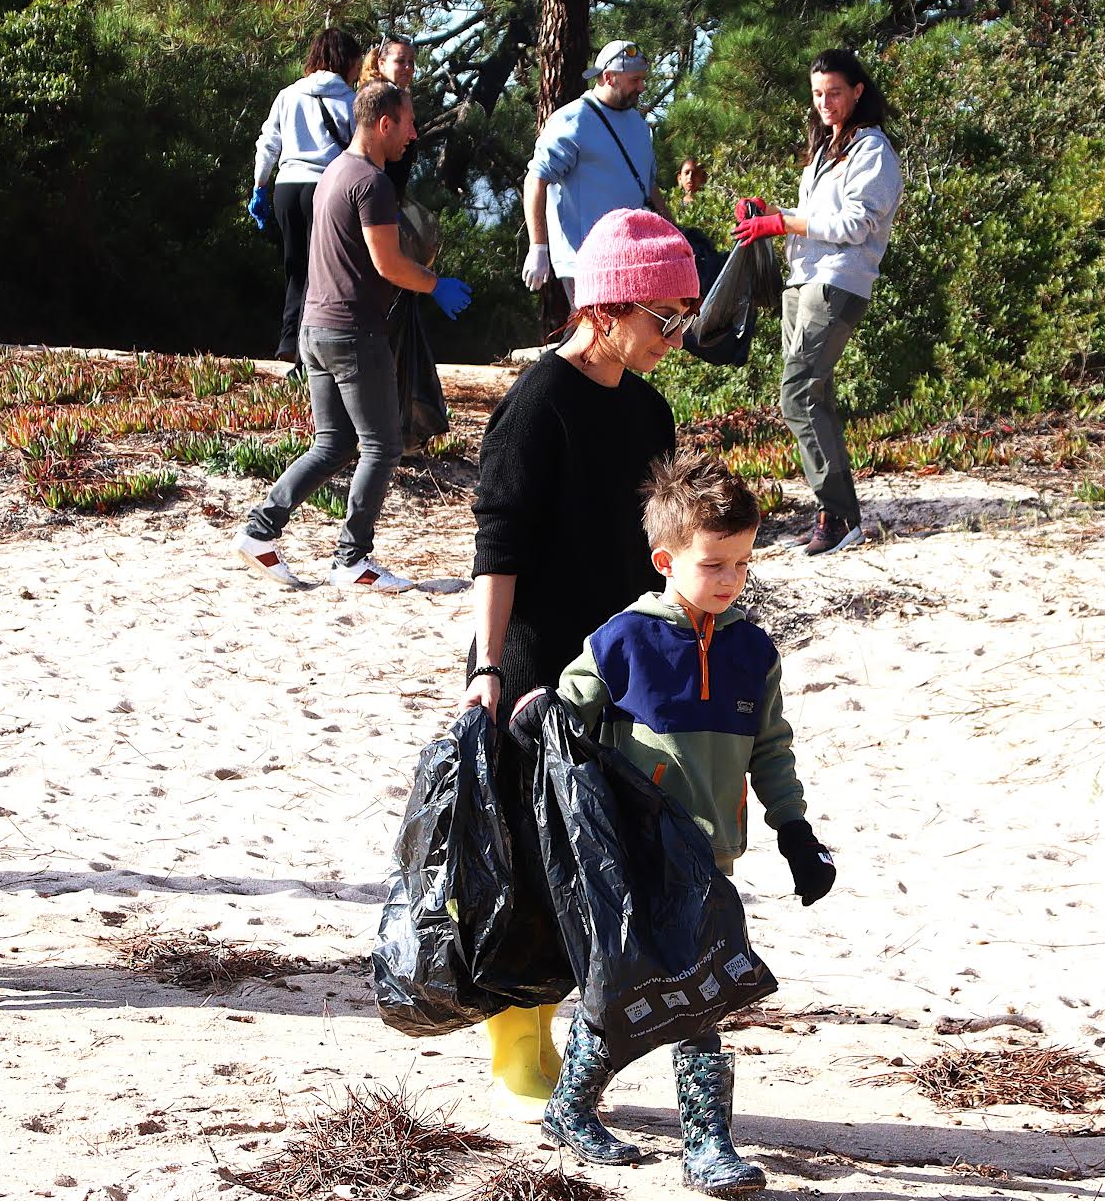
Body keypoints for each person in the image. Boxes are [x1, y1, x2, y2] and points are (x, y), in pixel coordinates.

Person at [509, 451, 835, 1189]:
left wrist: (795, 833)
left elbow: (771, 748)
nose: (729, 579)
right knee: (685, 986)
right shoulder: (624, 639)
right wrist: (533, 715)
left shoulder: (752, 650)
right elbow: (565, 714)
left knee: (666, 982)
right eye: (713, 564)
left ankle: (570, 1106)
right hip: (634, 849)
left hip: (711, 854)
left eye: (742, 564)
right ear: (665, 560)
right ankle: (705, 1147)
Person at [458, 206, 700, 1123]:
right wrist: (487, 670)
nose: (675, 336)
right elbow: (498, 548)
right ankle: (517, 1045)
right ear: (604, 308)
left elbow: (660, 543)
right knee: (530, 856)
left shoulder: (646, 407)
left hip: (618, 665)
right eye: (664, 317)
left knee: (600, 855)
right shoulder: (535, 405)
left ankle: (559, 1031)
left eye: (683, 317)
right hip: (531, 667)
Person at [236, 81, 472, 591]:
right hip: (353, 333)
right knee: (383, 446)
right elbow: (389, 264)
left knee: (334, 444)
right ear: (384, 123)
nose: (413, 133)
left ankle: (259, 532)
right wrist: (436, 285)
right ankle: (352, 559)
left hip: (315, 329)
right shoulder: (371, 182)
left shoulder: (333, 173)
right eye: (408, 122)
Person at [733, 48, 902, 556]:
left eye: (834, 92)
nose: (825, 102)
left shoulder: (872, 150)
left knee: (798, 394)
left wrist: (782, 222)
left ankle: (838, 515)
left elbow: (855, 225)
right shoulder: (828, 147)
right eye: (817, 94)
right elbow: (818, 217)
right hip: (803, 281)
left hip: (837, 282)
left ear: (858, 91)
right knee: (813, 395)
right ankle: (839, 513)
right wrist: (770, 213)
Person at [520, 40, 673, 305]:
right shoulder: (572, 120)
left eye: (642, 79)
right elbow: (536, 180)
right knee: (597, 330)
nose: (642, 87)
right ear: (609, 78)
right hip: (586, 264)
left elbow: (649, 187)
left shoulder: (638, 125)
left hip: (632, 259)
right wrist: (538, 248)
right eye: (635, 80)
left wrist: (676, 235)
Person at [249, 29, 362, 363]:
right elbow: (360, 150)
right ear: (347, 61)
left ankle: (288, 340)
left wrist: (260, 185)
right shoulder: (351, 101)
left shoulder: (288, 95)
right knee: (321, 273)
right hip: (326, 189)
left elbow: (268, 143)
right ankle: (305, 352)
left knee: (295, 267)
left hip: (286, 187)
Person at [360, 35, 420, 196]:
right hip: (378, 188)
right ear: (381, 63)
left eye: (411, 62)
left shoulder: (396, 95)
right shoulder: (377, 98)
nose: (408, 67)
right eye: (400, 61)